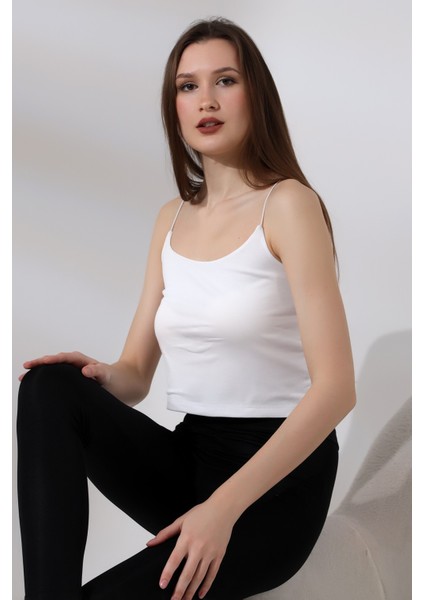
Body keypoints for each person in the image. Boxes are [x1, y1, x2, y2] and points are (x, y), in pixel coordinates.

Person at [17, 17, 356, 600]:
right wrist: (93, 375)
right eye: (188, 86)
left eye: (225, 80)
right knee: (49, 387)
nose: (206, 100)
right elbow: (135, 375)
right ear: (173, 106)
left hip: (275, 487)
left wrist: (220, 509)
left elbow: (337, 391)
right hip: (193, 457)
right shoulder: (171, 218)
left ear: (255, 94)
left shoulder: (288, 205)